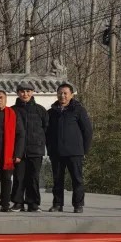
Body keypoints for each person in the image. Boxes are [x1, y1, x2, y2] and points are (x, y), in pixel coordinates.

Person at [47, 83, 93, 213]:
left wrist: (84, 150)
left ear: (71, 95)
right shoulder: (51, 112)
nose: (62, 96)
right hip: (56, 152)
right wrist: (49, 148)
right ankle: (57, 204)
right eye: (60, 93)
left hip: (75, 152)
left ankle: (78, 204)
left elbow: (87, 131)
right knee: (57, 180)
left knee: (77, 179)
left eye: (65, 93)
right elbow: (47, 133)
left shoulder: (79, 110)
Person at [12, 81, 49, 212]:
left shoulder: (40, 110)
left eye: (28, 91)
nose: (25, 94)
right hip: (18, 151)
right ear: (18, 93)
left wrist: (40, 143)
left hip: (36, 150)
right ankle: (18, 203)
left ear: (32, 92)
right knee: (18, 177)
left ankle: (33, 203)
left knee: (33, 178)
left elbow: (46, 128)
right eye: (22, 91)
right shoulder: (12, 110)